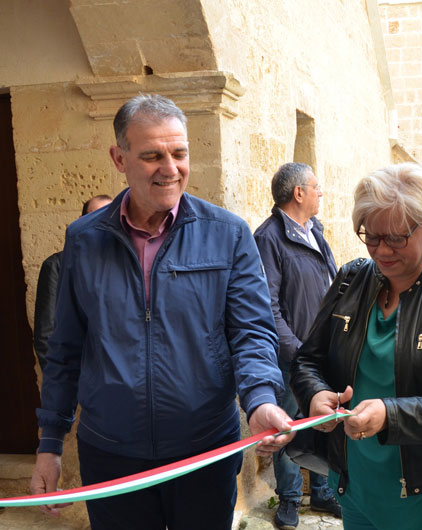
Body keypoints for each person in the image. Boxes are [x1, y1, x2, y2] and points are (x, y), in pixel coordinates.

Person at [31, 94, 293, 530]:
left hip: (205, 450)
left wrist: (260, 400)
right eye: (152, 155)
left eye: (179, 153)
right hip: (111, 453)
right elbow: (66, 348)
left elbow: (251, 332)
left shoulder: (228, 234)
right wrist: (49, 443)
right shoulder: (84, 239)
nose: (170, 168)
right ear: (119, 157)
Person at [291, 163, 422, 529]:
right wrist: (316, 394)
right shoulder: (350, 279)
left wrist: (390, 415)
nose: (381, 250)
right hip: (358, 483)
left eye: (397, 237)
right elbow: (308, 359)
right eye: (371, 236)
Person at [253, 162, 341, 528]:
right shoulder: (269, 237)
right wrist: (297, 350)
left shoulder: (314, 229)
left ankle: (321, 492)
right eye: (316, 186)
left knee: (322, 421)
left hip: (323, 350)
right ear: (298, 193)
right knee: (289, 425)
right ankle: (289, 498)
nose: (321, 192)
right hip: (294, 355)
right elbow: (267, 305)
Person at [33, 194, 112, 371]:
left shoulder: (130, 264)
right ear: (82, 222)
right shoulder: (57, 267)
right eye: (95, 216)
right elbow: (45, 336)